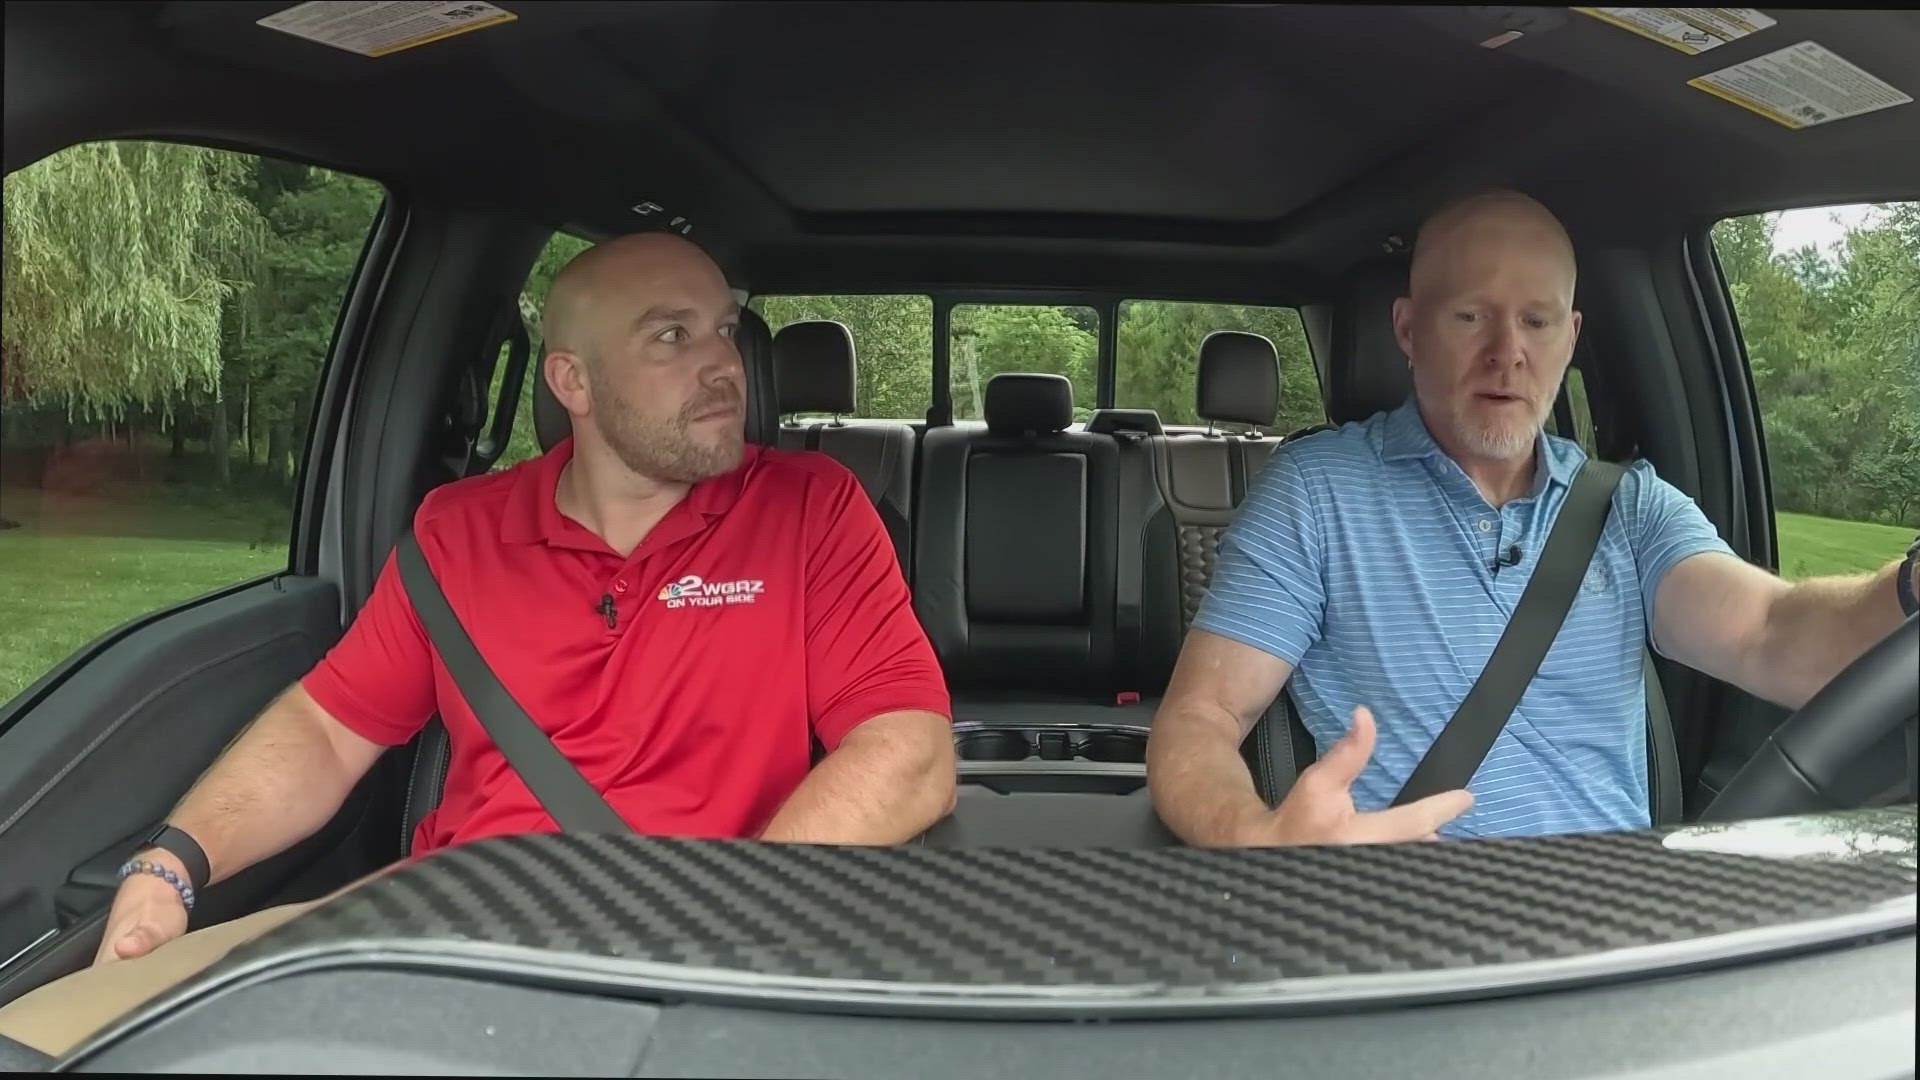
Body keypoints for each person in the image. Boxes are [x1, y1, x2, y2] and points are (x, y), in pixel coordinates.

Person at [0, 231, 957, 1057]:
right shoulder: (459, 530)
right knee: (57, 1037)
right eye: (672, 335)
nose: (723, 365)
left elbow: (908, 750)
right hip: (444, 929)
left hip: (700, 933)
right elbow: (330, 731)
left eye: (724, 330)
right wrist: (176, 861)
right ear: (571, 381)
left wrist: (732, 920)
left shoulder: (807, 508)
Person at [1147, 189, 1919, 847]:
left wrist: (1911, 585)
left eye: (1538, 322)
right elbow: (1201, 719)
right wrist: (1255, 835)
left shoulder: (1631, 509)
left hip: (1607, 943)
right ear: (1409, 330)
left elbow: (1776, 632)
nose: (1507, 353)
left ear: (1571, 338)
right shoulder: (1314, 494)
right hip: (1398, 936)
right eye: (1471, 316)